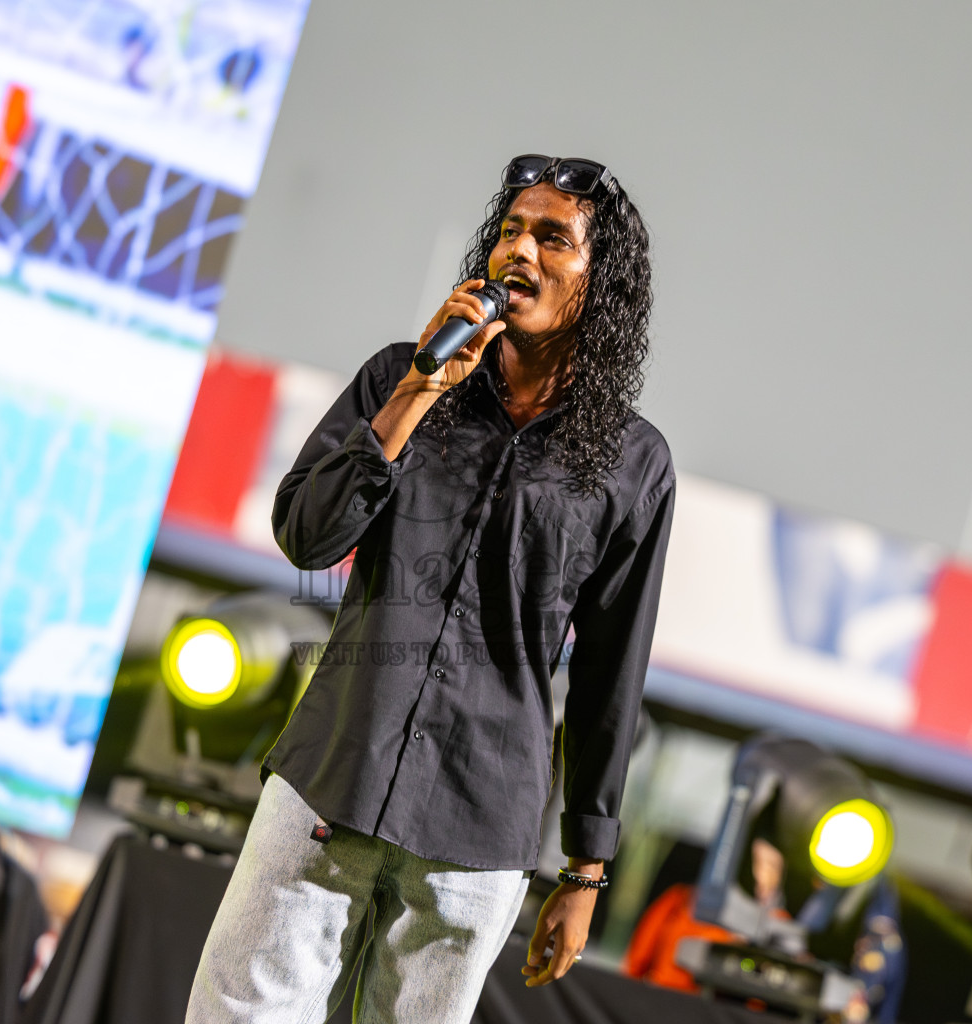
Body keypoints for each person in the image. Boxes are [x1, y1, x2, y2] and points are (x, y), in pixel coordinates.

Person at [186, 154, 675, 1023]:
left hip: (476, 833)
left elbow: (611, 674)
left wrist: (586, 870)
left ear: (600, 284)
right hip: (333, 777)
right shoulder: (399, 377)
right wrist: (418, 390)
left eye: (552, 238)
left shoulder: (633, 464)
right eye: (510, 231)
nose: (518, 251)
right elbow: (308, 535)